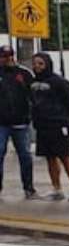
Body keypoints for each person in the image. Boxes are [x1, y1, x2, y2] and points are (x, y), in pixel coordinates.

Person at [30, 53, 69, 202]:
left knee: (65, 155)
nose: (37, 67)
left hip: (59, 124)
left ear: (47, 64)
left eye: (40, 63)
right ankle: (57, 188)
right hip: (42, 125)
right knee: (50, 158)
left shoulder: (60, 82)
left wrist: (64, 118)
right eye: (35, 63)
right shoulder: (33, 83)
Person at [0, 45, 36, 199]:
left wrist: (30, 114)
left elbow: (34, 95)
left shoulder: (24, 73)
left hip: (21, 122)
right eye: (4, 56)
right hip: (1, 123)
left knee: (25, 155)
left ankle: (29, 187)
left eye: (9, 56)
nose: (7, 59)